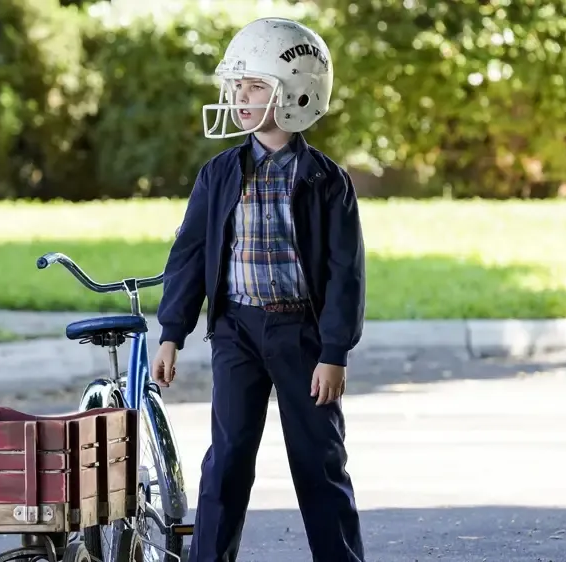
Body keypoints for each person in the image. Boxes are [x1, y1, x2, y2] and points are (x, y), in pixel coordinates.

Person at [152, 17, 367, 562]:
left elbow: (346, 274)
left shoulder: (327, 181)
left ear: (295, 93)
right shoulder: (218, 173)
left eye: (253, 87)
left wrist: (335, 352)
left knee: (318, 460)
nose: (239, 98)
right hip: (236, 333)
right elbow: (191, 254)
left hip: (303, 335)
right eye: (236, 87)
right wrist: (172, 332)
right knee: (226, 460)